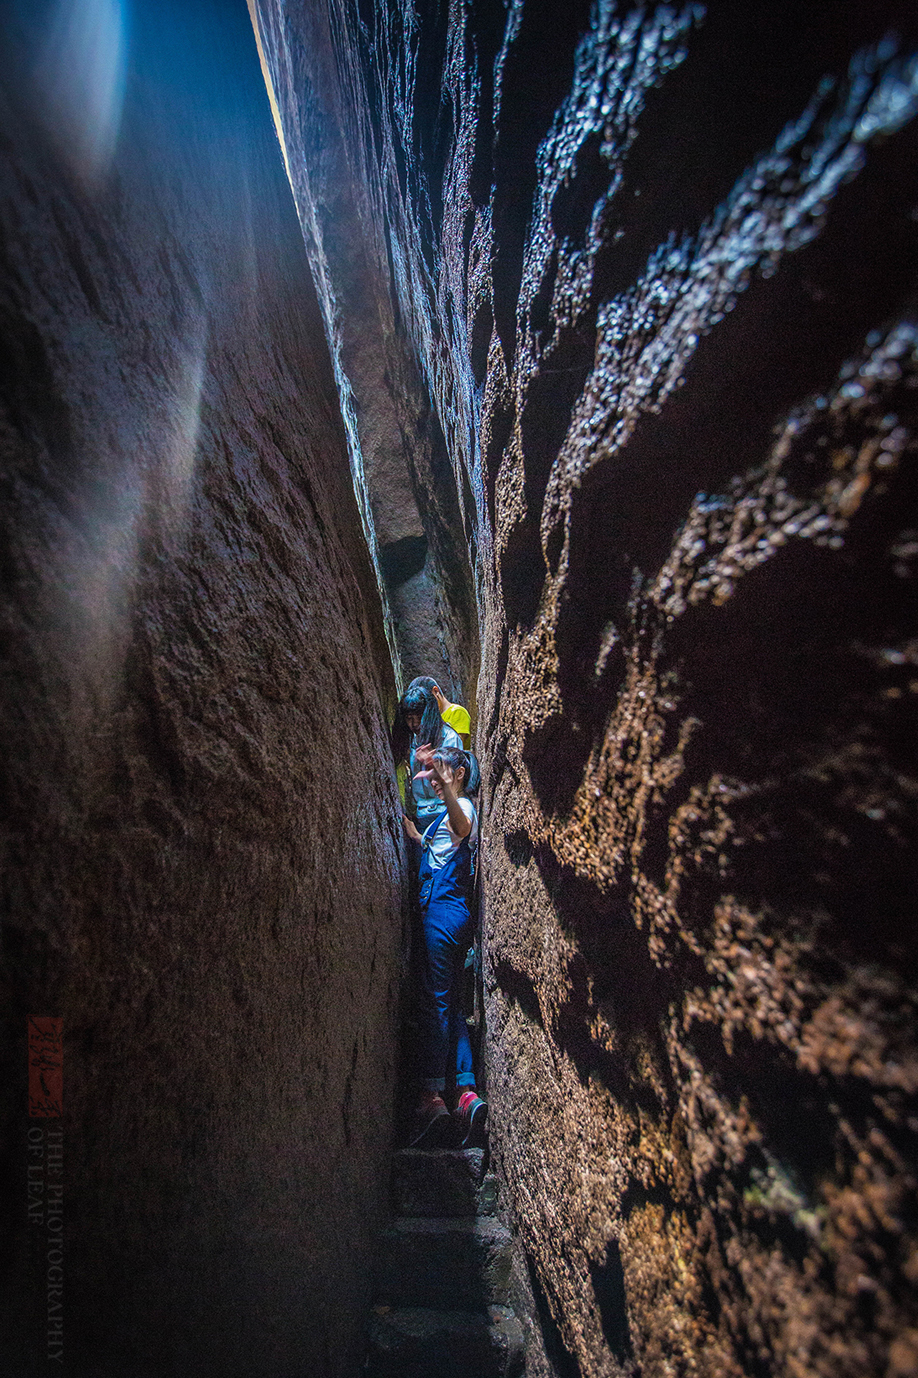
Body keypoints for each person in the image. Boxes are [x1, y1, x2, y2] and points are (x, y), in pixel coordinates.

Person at [402, 745, 487, 1147]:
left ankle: (432, 1095)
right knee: (451, 1004)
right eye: (433, 776)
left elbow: (463, 826)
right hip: (449, 915)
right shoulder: (441, 821)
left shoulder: (463, 806)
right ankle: (466, 1093)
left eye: (442, 773)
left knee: (434, 1001)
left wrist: (450, 788)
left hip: (441, 912)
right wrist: (416, 835)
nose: (435, 780)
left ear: (459, 775)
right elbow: (439, 848)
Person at [394, 682, 464, 826]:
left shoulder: (449, 738)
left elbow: (458, 783)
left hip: (447, 814)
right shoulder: (413, 740)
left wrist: (434, 765)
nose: (414, 724)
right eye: (409, 718)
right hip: (421, 815)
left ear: (429, 714)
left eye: (419, 717)